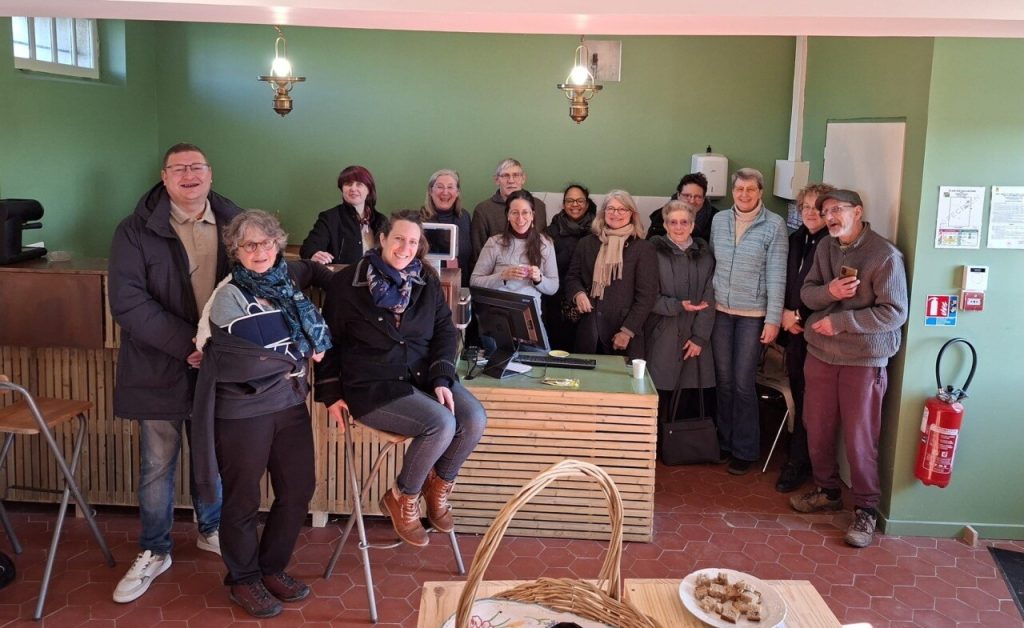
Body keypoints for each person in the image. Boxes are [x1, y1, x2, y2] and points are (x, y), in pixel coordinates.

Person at [108, 143, 235, 603]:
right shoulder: (134, 231)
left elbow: (260, 280)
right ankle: (155, 549)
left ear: (210, 173)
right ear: (163, 177)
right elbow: (128, 303)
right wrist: (189, 344)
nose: (189, 174)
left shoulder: (236, 224)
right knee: (157, 464)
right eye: (179, 168)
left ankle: (212, 528)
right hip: (157, 365)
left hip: (217, 366)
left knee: (212, 455)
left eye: (197, 166)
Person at [191, 210, 333, 618]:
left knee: (298, 487)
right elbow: (264, 350)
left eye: (267, 243)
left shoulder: (284, 283)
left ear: (277, 246)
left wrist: (299, 340)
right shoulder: (228, 295)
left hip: (288, 404)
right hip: (243, 412)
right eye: (249, 244)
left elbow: (304, 331)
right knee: (243, 498)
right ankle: (242, 578)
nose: (260, 251)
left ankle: (270, 568)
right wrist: (302, 344)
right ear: (235, 250)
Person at [316, 210, 487, 548]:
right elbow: (327, 342)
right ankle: (403, 496)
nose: (405, 248)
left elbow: (444, 332)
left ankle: (437, 487)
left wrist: (441, 376)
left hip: (424, 375)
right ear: (382, 239)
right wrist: (330, 393)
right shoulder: (347, 283)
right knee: (441, 423)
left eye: (412, 241)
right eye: (398, 239)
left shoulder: (425, 277)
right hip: (373, 385)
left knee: (474, 418)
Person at [790, 189, 908, 549]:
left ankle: (867, 510)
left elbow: (894, 313)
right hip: (822, 354)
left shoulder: (884, 255)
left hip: (863, 360)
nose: (830, 217)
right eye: (826, 211)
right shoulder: (826, 247)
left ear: (857, 211)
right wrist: (831, 292)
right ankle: (827, 491)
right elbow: (807, 295)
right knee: (818, 428)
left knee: (860, 438)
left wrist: (842, 322)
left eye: (837, 210)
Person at [709, 168, 788, 476]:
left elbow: (777, 275)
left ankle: (745, 449)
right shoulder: (719, 221)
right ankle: (724, 442)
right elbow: (714, 261)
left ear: (760, 192)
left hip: (753, 316)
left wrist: (772, 320)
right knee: (724, 381)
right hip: (720, 312)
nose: (744, 195)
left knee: (743, 384)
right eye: (739, 189)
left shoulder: (774, 225)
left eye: (750, 190)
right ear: (733, 191)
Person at [775, 183, 835, 493]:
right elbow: (788, 281)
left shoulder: (833, 244)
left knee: (813, 401)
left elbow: (830, 292)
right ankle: (798, 456)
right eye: (806, 207)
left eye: (817, 207)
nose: (810, 212)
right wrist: (785, 312)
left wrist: (798, 315)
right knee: (799, 395)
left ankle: (801, 463)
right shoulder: (796, 238)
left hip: (816, 333)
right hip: (792, 332)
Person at [644, 200, 716, 423]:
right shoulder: (653, 252)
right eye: (672, 222)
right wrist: (676, 306)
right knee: (659, 391)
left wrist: (700, 337)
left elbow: (710, 296)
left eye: (684, 222)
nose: (678, 227)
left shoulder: (705, 255)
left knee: (691, 395)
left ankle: (684, 450)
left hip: (695, 335)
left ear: (692, 225)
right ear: (665, 225)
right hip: (662, 332)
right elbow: (647, 296)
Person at [564, 190, 658, 359]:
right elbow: (572, 277)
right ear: (603, 213)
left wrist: (627, 331)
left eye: (622, 209)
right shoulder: (586, 243)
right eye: (611, 209)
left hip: (622, 334)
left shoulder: (643, 248)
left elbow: (647, 296)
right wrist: (577, 293)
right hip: (589, 330)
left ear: (632, 214)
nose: (616, 214)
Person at [470, 190, 559, 340]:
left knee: (539, 360)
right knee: (499, 361)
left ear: (532, 215)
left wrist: (539, 279)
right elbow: (474, 282)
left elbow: (553, 287)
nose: (520, 218)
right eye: (514, 213)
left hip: (530, 319)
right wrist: (502, 276)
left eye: (525, 212)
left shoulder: (546, 243)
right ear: (508, 215)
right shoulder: (494, 242)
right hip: (497, 318)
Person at [543, 184, 597, 351]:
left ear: (587, 204)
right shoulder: (550, 231)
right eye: (570, 201)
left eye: (580, 200)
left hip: (589, 300)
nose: (575, 205)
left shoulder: (598, 231)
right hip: (556, 301)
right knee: (558, 349)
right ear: (563, 204)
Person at [300, 165, 387, 265]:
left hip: (374, 278)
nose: (353, 188)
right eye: (348, 184)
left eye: (359, 184)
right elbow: (308, 248)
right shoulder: (329, 218)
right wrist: (314, 254)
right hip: (340, 277)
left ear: (368, 190)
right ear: (342, 189)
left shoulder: (381, 220)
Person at [470, 158, 547, 263]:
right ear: (497, 180)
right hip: (497, 274)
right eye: (505, 175)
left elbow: (543, 246)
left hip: (534, 272)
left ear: (523, 179)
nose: (511, 180)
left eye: (516, 175)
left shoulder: (538, 206)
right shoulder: (483, 210)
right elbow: (478, 254)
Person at [420, 169, 472, 285]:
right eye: (440, 187)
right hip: (428, 287)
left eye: (450, 187)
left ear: (457, 192)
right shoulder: (419, 221)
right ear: (430, 191)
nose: (445, 192)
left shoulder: (465, 217)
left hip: (462, 286)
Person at [647, 172, 718, 242]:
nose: (692, 201)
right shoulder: (660, 216)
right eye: (687, 196)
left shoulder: (716, 219)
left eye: (698, 197)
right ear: (678, 195)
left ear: (704, 198)